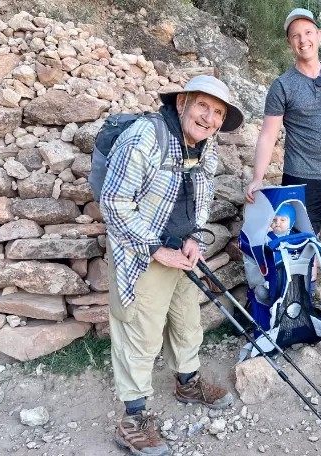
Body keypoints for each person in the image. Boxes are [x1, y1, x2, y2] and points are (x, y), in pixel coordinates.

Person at [101, 75, 245, 456]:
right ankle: (132, 418)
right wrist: (154, 249)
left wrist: (195, 238)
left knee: (186, 320)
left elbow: (201, 197)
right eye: (203, 106)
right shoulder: (144, 138)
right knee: (140, 333)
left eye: (218, 113)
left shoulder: (205, 147)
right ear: (182, 102)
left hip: (181, 250)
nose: (210, 118)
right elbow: (114, 203)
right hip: (141, 251)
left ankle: (187, 382)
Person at [244, 8, 321, 310]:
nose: (303, 40)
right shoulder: (283, 86)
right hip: (302, 179)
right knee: (305, 245)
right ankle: (309, 298)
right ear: (290, 44)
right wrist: (258, 177)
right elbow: (267, 135)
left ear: (319, 36)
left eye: (308, 33)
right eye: (296, 36)